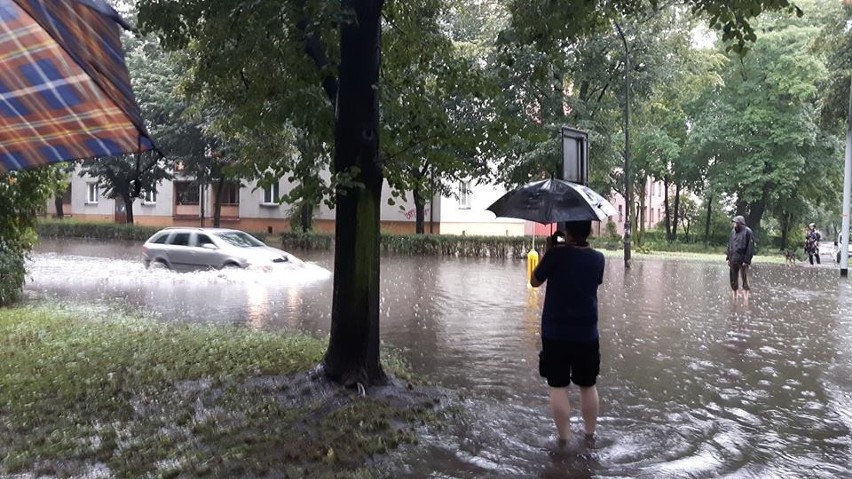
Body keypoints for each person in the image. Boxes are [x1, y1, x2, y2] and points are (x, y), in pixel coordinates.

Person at [530, 221, 605, 445]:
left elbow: (534, 281)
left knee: (558, 386)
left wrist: (549, 251)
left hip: (556, 333)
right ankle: (590, 436)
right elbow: (594, 281)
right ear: (590, 231)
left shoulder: (556, 255)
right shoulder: (598, 258)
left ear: (568, 232)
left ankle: (564, 440)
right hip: (587, 333)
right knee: (588, 385)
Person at [726, 215, 755, 300]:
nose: (734, 224)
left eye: (735, 222)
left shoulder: (748, 232)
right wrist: (728, 257)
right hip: (733, 258)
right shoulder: (732, 232)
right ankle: (734, 296)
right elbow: (730, 244)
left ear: (740, 223)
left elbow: (750, 247)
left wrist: (746, 260)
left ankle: (746, 298)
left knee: (745, 278)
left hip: (743, 260)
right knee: (733, 278)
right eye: (733, 222)